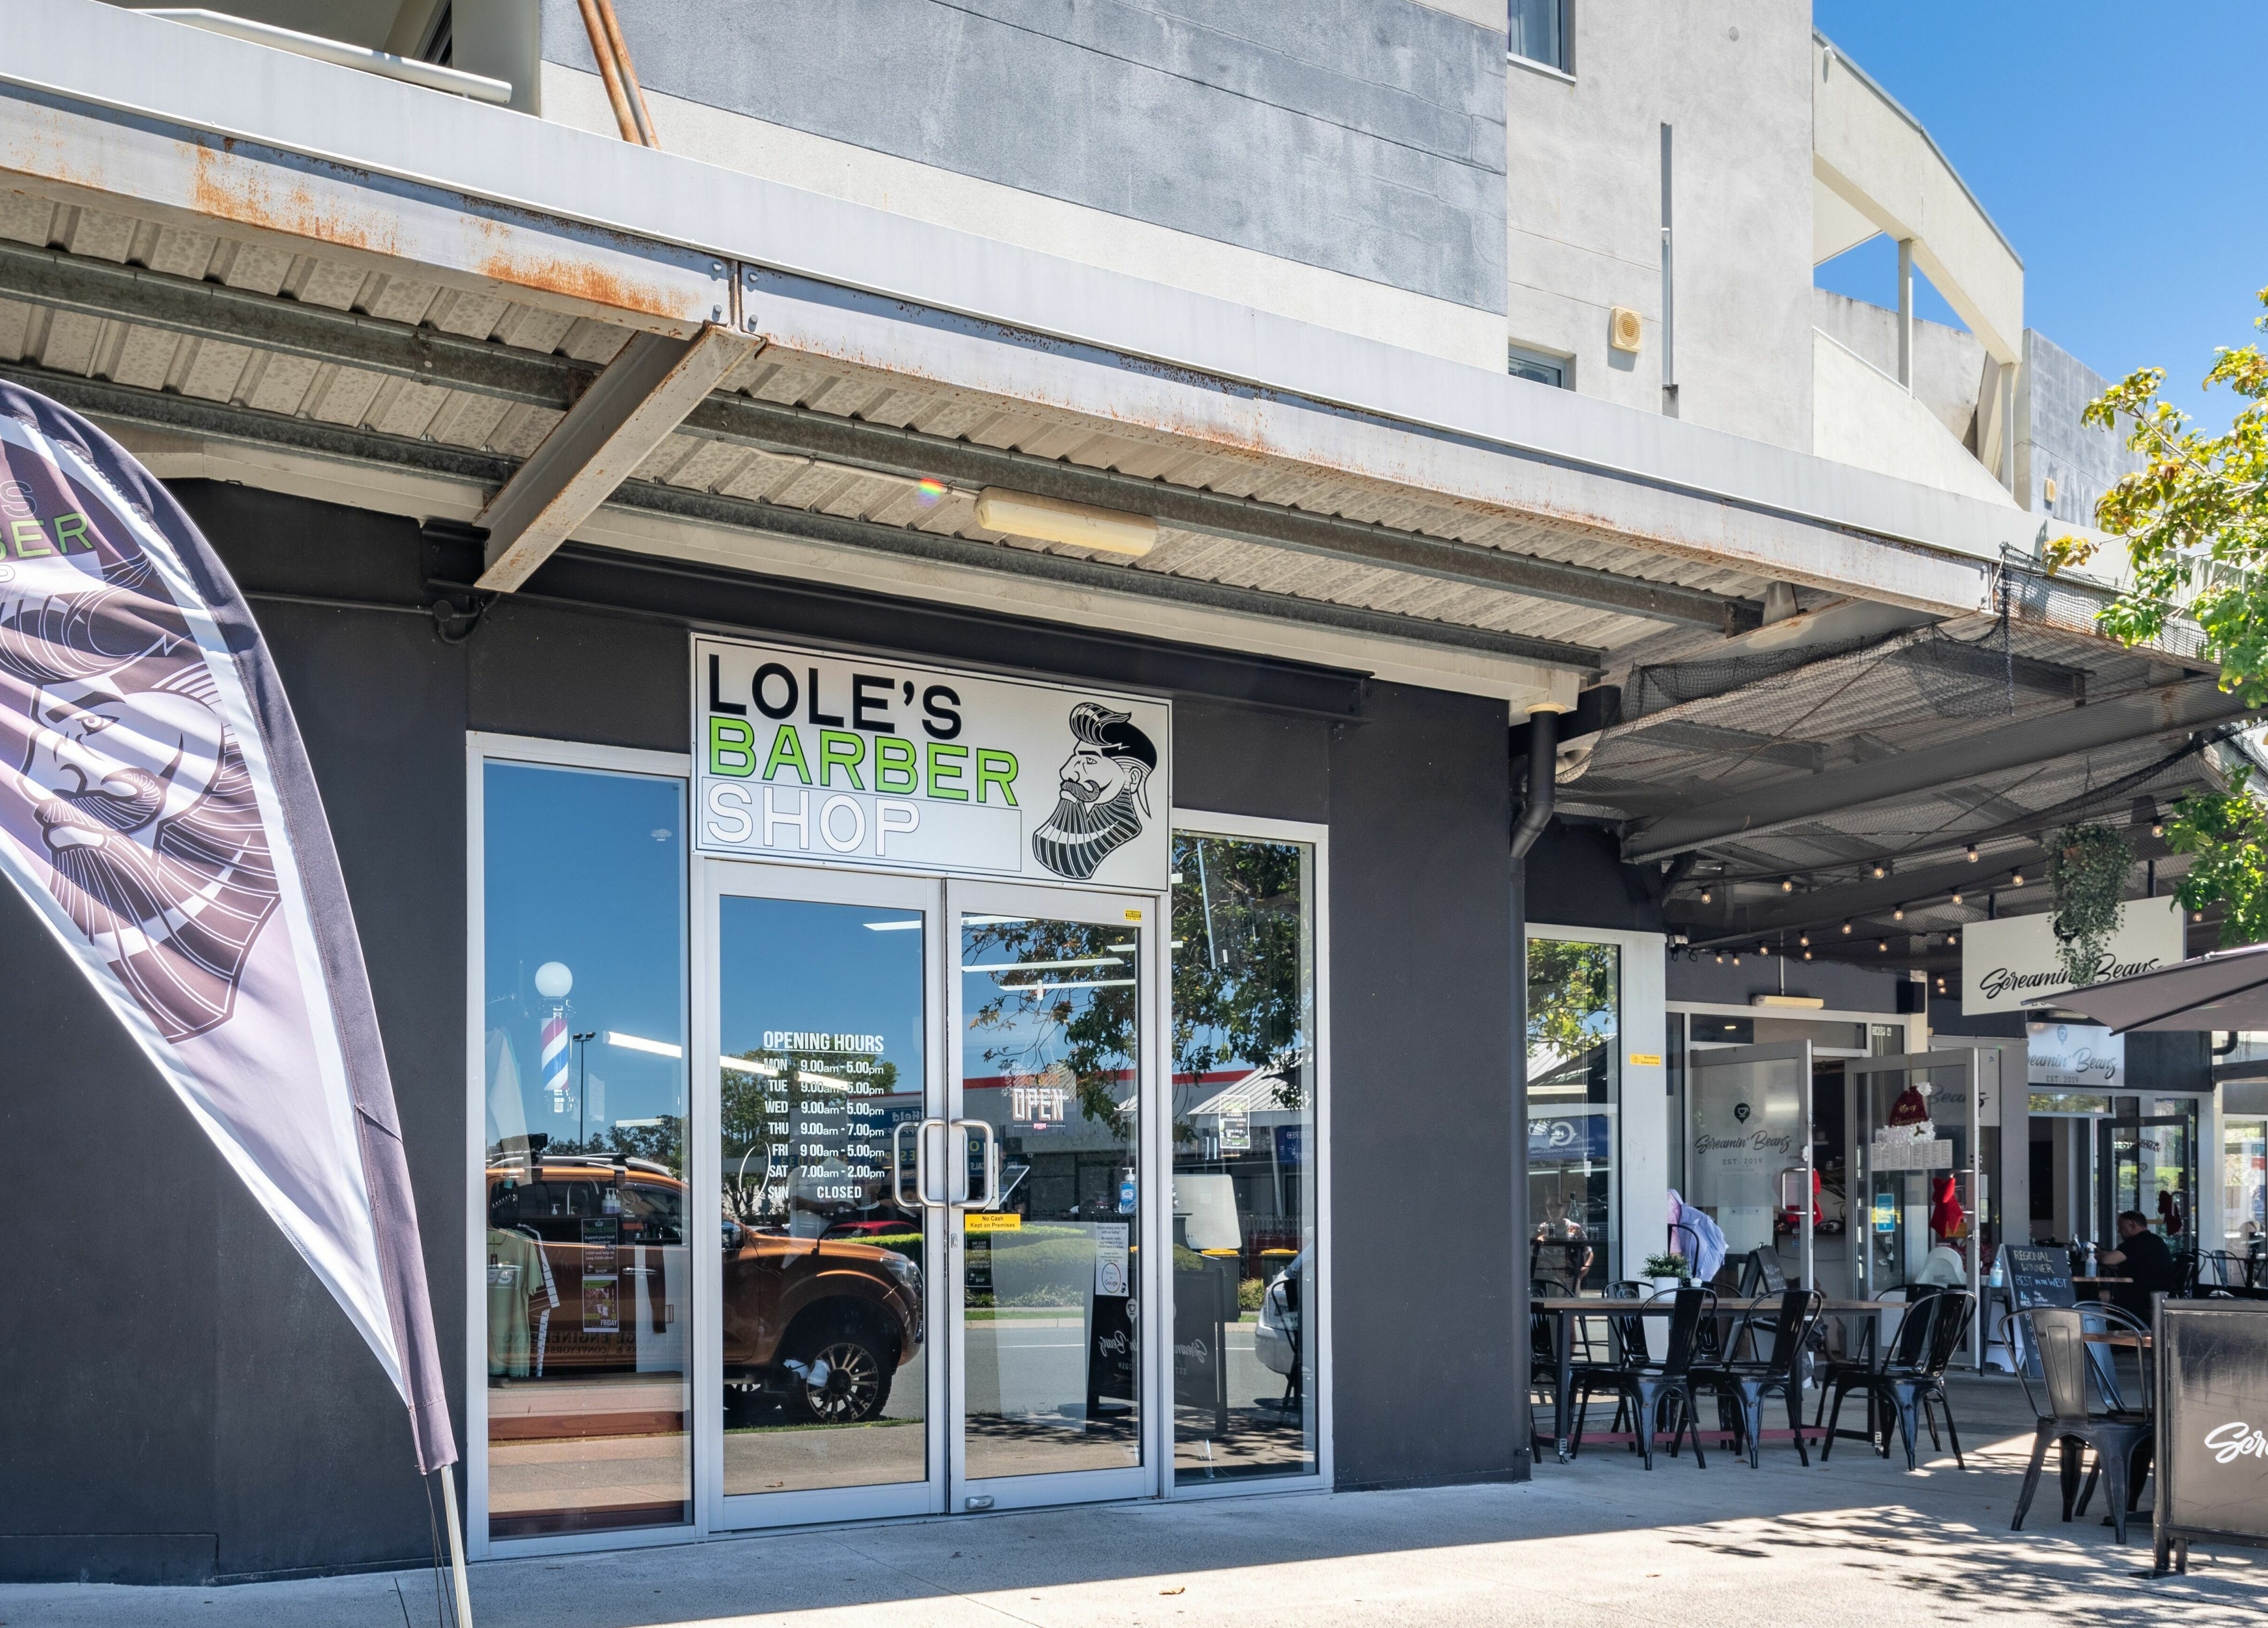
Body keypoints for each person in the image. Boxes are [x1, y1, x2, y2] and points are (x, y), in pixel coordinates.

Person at [2098, 1209, 2178, 1322]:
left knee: (2095, 1296)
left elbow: (2108, 1260)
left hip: (2140, 1298)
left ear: (2132, 1225)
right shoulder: (2156, 1241)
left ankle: (2099, 1332)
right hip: (2160, 1297)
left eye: (2122, 1228)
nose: (2120, 1232)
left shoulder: (2137, 1242)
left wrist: (2096, 1254)